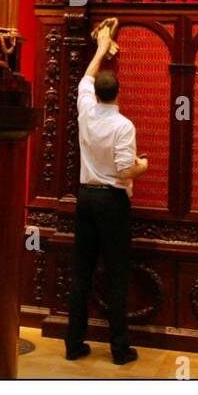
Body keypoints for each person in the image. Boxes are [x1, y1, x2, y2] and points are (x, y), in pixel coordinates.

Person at [65, 27, 149, 365]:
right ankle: (119, 348)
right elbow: (125, 169)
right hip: (112, 202)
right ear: (118, 94)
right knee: (115, 273)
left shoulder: (86, 111)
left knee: (81, 273)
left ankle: (74, 344)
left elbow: (86, 78)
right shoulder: (123, 126)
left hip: (85, 198)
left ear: (98, 94)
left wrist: (100, 47)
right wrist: (143, 165)